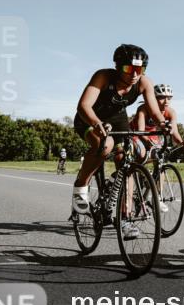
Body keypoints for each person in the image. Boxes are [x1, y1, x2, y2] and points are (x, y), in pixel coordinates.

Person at [70, 44, 170, 240]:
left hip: (117, 119)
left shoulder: (143, 83)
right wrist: (96, 123)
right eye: (128, 68)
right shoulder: (103, 77)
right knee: (105, 145)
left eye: (139, 70)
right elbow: (83, 105)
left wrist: (162, 124)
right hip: (90, 118)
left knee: (131, 158)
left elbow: (155, 112)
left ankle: (125, 217)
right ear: (117, 67)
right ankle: (80, 187)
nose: (134, 74)